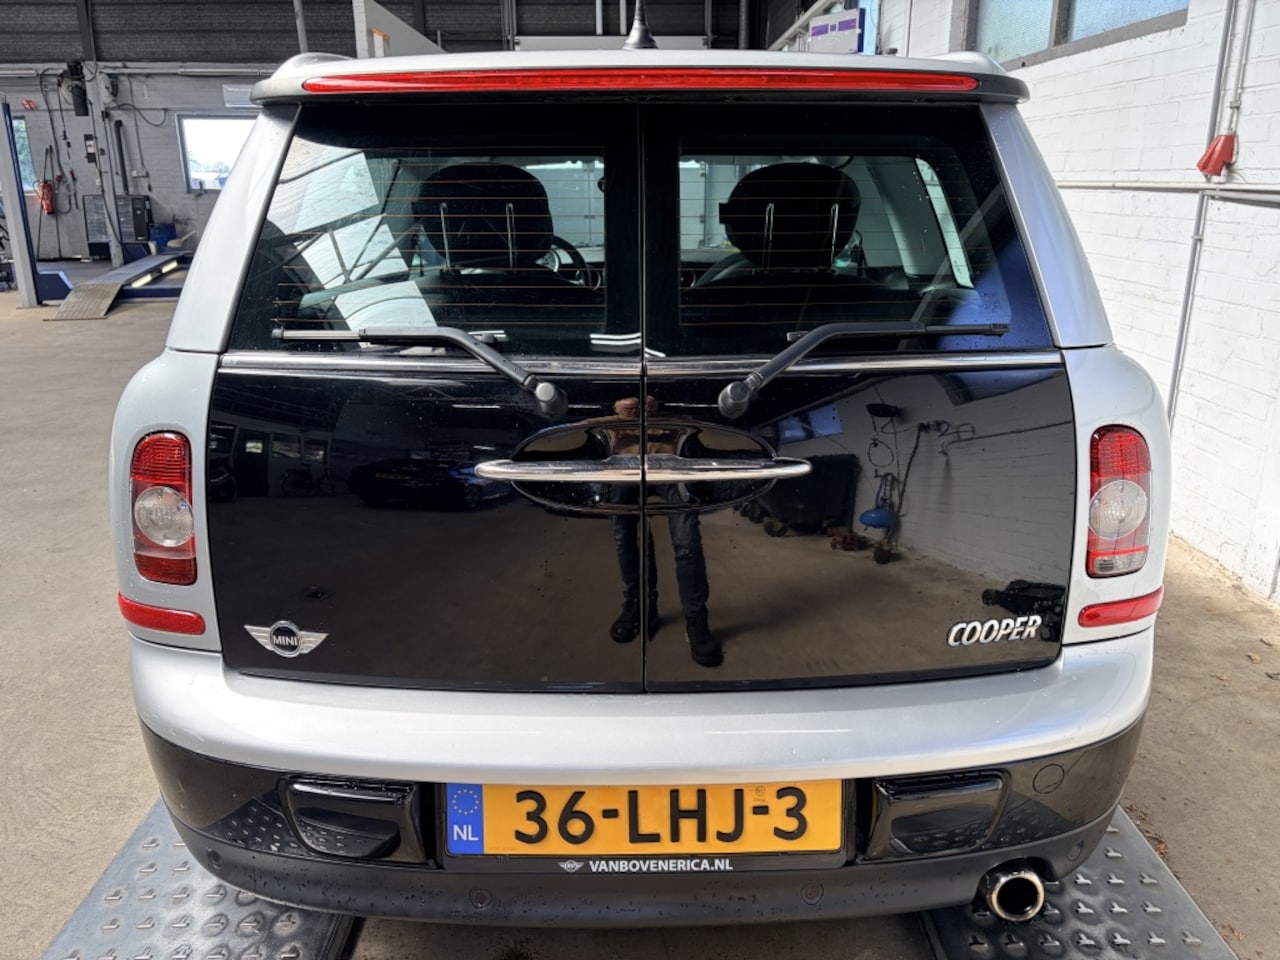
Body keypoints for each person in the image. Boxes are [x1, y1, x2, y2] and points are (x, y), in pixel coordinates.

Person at [593, 396, 721, 668]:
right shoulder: (610, 415)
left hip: (669, 466)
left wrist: (662, 411)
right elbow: (582, 422)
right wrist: (616, 415)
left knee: (686, 541)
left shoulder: (670, 412)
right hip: (623, 468)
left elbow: (700, 417)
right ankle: (639, 604)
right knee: (624, 537)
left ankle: (696, 617)